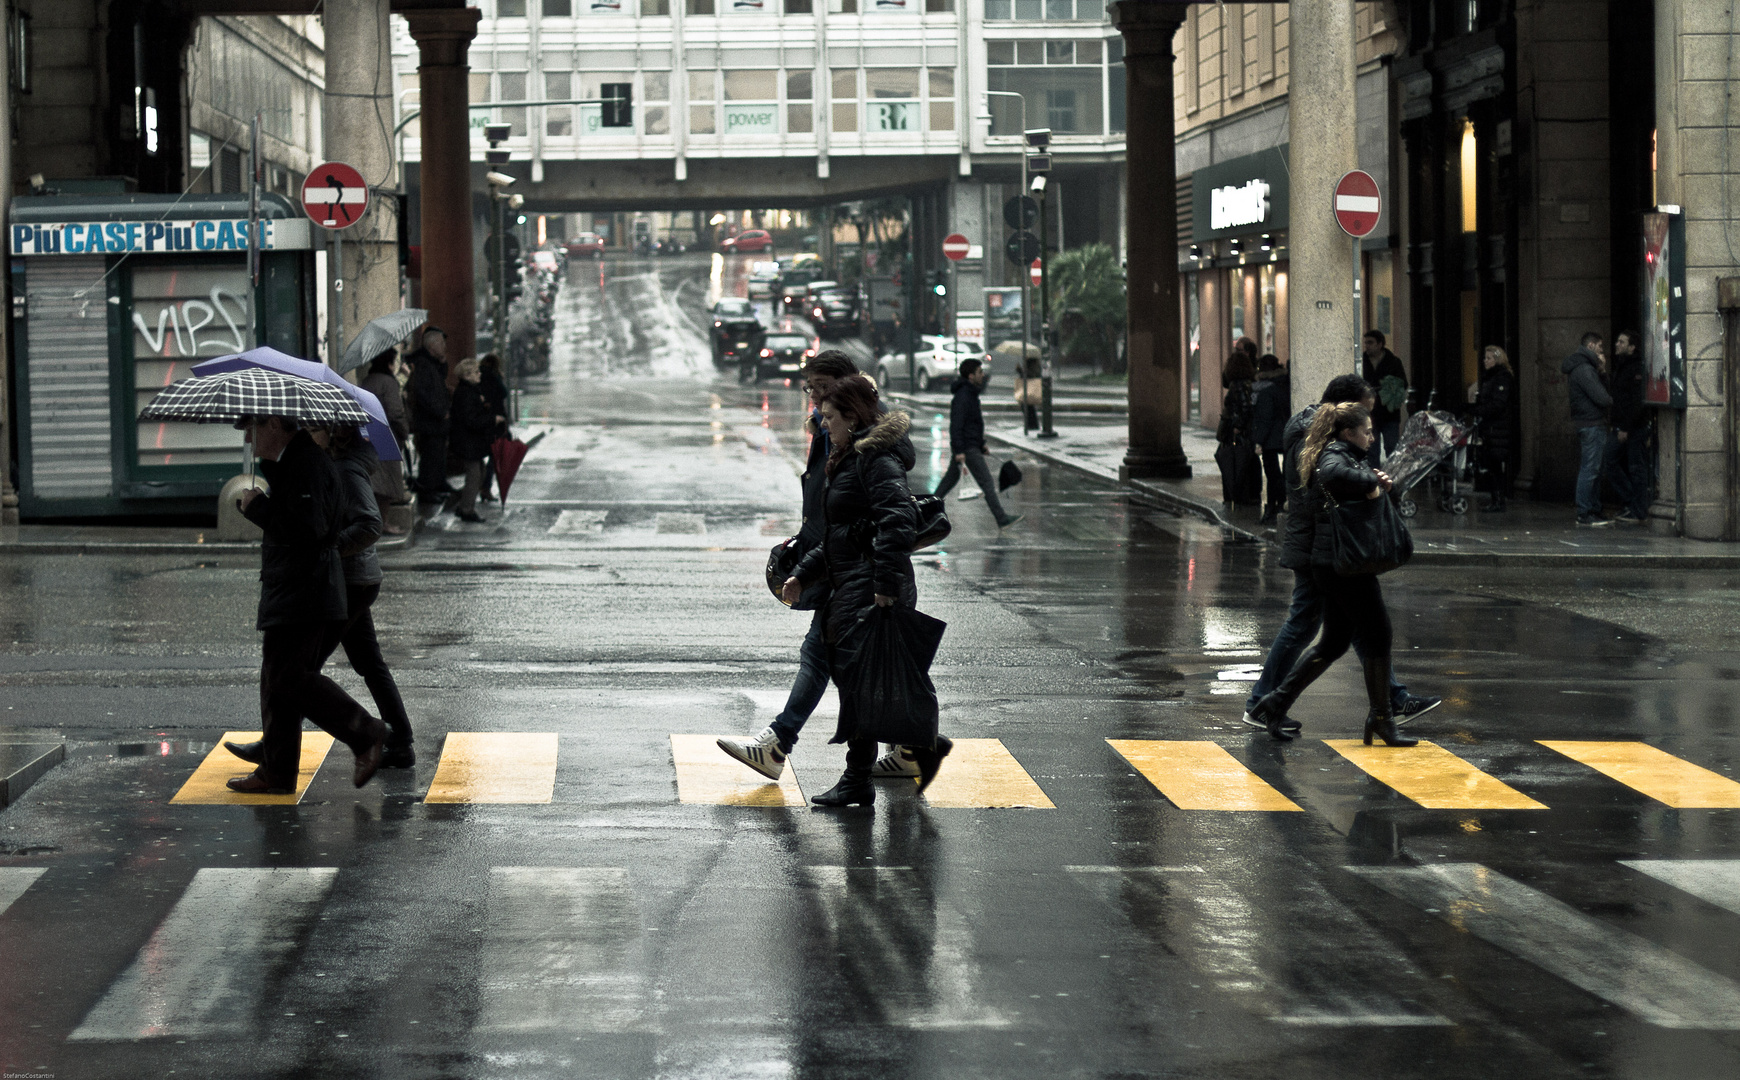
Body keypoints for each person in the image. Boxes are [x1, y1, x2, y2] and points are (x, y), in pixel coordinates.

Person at [783, 375, 950, 806]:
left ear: (854, 416)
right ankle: (900, 756)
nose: (824, 423)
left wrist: (884, 587)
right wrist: (803, 573)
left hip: (868, 586)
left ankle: (871, 772)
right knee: (861, 682)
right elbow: (843, 532)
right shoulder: (850, 457)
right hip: (851, 583)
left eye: (831, 416)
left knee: (863, 683)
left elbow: (897, 521)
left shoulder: (875, 459)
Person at [1244, 374, 1440, 733]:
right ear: (1343, 414)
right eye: (1364, 418)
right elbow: (1321, 487)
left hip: (1326, 547)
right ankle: (1263, 702)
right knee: (1317, 625)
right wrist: (1368, 485)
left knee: (1342, 633)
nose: (1370, 430)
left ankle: (1387, 703)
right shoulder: (1319, 439)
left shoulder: (1322, 435)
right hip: (1324, 547)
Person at [224, 425, 416, 770]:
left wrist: (330, 550)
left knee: (294, 674)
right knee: (359, 664)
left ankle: (368, 735)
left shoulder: (340, 468)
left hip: (350, 578)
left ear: (331, 432)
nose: (306, 432)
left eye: (312, 428)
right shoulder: (325, 464)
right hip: (350, 577)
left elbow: (368, 524)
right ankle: (398, 739)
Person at [718, 351, 863, 780]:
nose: (813, 397)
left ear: (843, 385)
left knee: (826, 657)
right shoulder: (829, 428)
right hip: (838, 560)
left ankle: (779, 745)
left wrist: (818, 561)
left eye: (821, 387)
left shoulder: (859, 436)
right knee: (845, 660)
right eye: (810, 388)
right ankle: (911, 746)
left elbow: (864, 513)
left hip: (853, 568)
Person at [933, 358, 1021, 529]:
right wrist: (960, 450)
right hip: (967, 448)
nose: (983, 375)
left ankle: (925, 511)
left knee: (950, 480)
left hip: (969, 445)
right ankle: (1001, 518)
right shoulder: (963, 396)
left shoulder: (970, 393)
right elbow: (957, 425)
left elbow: (973, 423)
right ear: (971, 375)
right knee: (987, 482)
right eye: (980, 372)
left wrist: (981, 444)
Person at [1562, 331, 1614, 527]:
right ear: (1591, 346)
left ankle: (1593, 508)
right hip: (1591, 423)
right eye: (1600, 347)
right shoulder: (1584, 369)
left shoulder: (1585, 368)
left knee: (1595, 469)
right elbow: (1602, 397)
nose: (1602, 351)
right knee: (1590, 469)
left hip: (1590, 423)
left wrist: (1601, 372)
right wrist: (1609, 398)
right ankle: (1585, 512)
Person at [358, 349, 412, 532]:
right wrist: (405, 431)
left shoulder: (367, 381)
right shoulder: (388, 383)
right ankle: (383, 523)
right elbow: (395, 413)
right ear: (390, 363)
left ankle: (375, 522)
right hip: (385, 435)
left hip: (367, 433)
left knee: (374, 482)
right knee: (387, 484)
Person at [450, 358, 503, 523]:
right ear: (467, 375)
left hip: (471, 442)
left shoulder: (471, 390)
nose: (480, 374)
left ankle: (464, 505)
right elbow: (471, 420)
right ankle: (466, 509)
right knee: (474, 476)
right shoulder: (466, 393)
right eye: (476, 372)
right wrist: (492, 419)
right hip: (468, 442)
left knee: (479, 474)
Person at [1605, 330, 1650, 523]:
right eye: (1617, 340)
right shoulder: (1622, 366)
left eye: (1622, 342)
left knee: (1635, 467)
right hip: (1621, 426)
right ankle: (1632, 503)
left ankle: (1638, 509)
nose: (1617, 344)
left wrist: (1625, 427)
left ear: (1632, 347)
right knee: (1612, 462)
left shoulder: (1636, 368)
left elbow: (1635, 402)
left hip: (1634, 428)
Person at [406, 327, 452, 504]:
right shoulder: (423, 364)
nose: (445, 346)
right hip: (430, 421)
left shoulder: (432, 361)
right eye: (441, 343)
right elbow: (423, 393)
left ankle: (436, 485)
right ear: (432, 346)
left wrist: (443, 361)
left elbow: (440, 378)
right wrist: (440, 411)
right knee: (430, 458)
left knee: (437, 455)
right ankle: (428, 490)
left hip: (435, 421)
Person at [1468, 345, 1516, 512]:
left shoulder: (1502, 378)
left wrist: (1480, 410)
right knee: (1490, 464)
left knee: (1495, 464)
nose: (1485, 361)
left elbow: (1498, 403)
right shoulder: (1489, 377)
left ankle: (1499, 499)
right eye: (1484, 358)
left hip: (1498, 428)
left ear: (1497, 359)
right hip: (1490, 428)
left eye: (1489, 358)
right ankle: (1495, 498)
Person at [1215, 349, 1261, 507]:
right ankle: (1245, 495)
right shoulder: (1249, 384)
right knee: (1245, 460)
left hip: (1238, 432)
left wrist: (1237, 427)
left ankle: (1234, 495)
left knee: (1232, 460)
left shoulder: (1238, 386)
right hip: (1246, 431)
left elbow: (1245, 408)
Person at [1250, 354, 1290, 525]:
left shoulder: (1265, 391)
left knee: (1273, 476)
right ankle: (1281, 505)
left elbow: (1265, 418)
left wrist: (1258, 441)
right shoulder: (1287, 384)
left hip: (1271, 440)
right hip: (1288, 435)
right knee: (1286, 473)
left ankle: (1274, 508)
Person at [1361, 330, 1408, 465]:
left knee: (1392, 448)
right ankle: (1374, 481)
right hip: (1370, 414)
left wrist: (1387, 388)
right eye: (1365, 343)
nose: (1367, 346)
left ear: (1380, 344)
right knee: (1371, 449)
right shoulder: (1362, 361)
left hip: (1389, 414)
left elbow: (1403, 384)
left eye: (1370, 342)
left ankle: (1393, 480)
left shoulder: (1393, 362)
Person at [477, 353, 512, 503]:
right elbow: (504, 392)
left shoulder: (479, 377)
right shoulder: (492, 376)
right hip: (495, 422)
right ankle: (486, 487)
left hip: (484, 420)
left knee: (487, 455)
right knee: (494, 454)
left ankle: (484, 486)